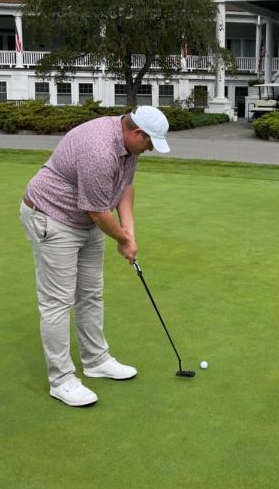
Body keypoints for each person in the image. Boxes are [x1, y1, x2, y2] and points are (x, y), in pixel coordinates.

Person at [20, 106, 170, 407]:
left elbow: (125, 188)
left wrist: (129, 232)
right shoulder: (98, 151)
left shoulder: (128, 146)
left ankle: (96, 360)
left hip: (85, 220)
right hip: (52, 217)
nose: (150, 149)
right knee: (58, 301)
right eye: (149, 143)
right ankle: (61, 380)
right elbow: (97, 210)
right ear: (137, 132)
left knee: (91, 293)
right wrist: (120, 239)